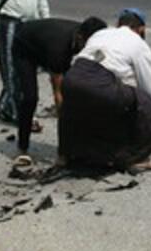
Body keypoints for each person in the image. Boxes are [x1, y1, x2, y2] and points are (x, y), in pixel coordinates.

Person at [58, 8, 151, 173]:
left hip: (72, 78)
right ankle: (135, 159)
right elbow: (147, 84)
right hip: (99, 84)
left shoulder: (101, 34)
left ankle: (64, 156)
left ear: (118, 24)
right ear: (141, 29)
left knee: (71, 108)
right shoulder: (139, 44)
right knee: (142, 100)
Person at [10, 16, 108, 165]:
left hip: (48, 43)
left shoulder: (89, 38)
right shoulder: (59, 48)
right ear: (80, 38)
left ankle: (74, 148)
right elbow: (58, 96)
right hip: (24, 47)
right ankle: (22, 147)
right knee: (30, 98)